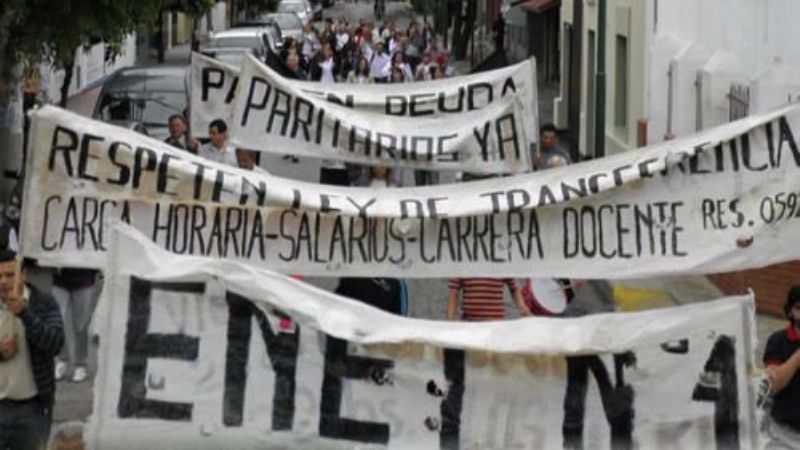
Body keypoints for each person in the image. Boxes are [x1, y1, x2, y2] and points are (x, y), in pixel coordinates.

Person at [0, 254, 64, 449]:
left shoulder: (43, 303)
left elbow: (55, 343)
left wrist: (24, 314)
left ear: (23, 275)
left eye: (10, 275)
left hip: (32, 409)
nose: (2, 281)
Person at [763, 286, 800, 448]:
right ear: (790, 311)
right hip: (784, 436)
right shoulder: (777, 341)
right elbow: (773, 385)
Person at [52, 268, 97, 383]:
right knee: (57, 320)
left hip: (84, 279)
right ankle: (62, 360)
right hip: (59, 278)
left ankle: (80, 364)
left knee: (80, 324)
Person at [447, 278, 530, 321]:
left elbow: (514, 287)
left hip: (496, 325)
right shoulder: (463, 263)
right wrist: (450, 321)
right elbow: (454, 292)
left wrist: (522, 307)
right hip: (470, 324)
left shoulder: (501, 263)